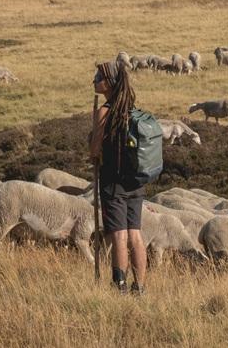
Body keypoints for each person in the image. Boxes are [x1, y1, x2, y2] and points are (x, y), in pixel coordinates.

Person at [90, 60, 146, 295]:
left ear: (109, 83)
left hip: (114, 182)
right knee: (135, 234)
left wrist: (94, 137)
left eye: (98, 78)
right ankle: (140, 287)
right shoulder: (131, 109)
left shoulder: (105, 111)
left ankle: (119, 285)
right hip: (136, 182)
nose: (94, 81)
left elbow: (94, 150)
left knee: (119, 235)